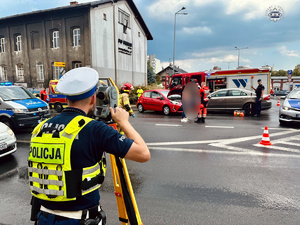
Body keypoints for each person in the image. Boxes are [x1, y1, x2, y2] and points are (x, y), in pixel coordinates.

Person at [28, 67, 150, 225]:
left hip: (43, 217)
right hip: (79, 220)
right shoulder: (94, 129)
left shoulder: (41, 128)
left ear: (66, 99)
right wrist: (124, 122)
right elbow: (143, 154)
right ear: (93, 99)